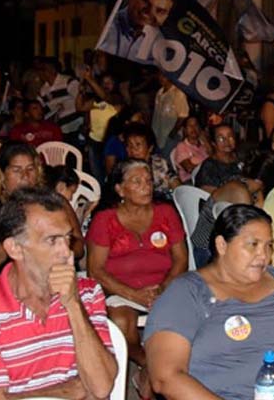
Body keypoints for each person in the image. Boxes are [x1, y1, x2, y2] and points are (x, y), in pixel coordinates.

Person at [144, 205, 274, 400]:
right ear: (222, 245)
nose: (264, 255)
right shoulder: (187, 292)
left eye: (268, 246)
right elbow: (166, 377)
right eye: (253, 244)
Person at [0, 189, 118, 399]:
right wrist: (61, 392)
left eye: (67, 238)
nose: (66, 251)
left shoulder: (86, 293)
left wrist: (73, 304)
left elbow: (101, 387)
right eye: (52, 240)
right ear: (14, 248)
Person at [87, 159, 188, 398]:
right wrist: (135, 295)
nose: (146, 187)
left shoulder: (165, 213)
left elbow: (181, 259)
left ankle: (151, 370)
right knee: (122, 322)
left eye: (149, 181)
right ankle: (150, 365)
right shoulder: (105, 219)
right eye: (137, 181)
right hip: (121, 289)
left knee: (184, 319)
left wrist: (162, 289)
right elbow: (96, 270)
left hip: (164, 286)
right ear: (120, 190)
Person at [0, 141, 83, 289]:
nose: (25, 176)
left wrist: (54, 242)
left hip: (54, 280)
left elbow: (80, 248)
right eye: (17, 170)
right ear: (2, 174)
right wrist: (17, 241)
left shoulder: (55, 202)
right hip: (10, 286)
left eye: (30, 169)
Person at [190, 177, 263, 267]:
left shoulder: (236, 183)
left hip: (207, 246)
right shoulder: (239, 191)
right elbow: (249, 229)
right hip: (207, 253)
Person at [101, 0, 174, 60]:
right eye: (146, 2)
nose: (150, 12)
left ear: (166, 17)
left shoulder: (161, 45)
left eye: (160, 11)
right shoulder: (108, 28)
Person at [39, 58, 84, 139]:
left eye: (43, 69)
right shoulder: (43, 90)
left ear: (52, 70)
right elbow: (45, 111)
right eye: (39, 70)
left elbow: (82, 100)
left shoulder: (68, 81)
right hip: (60, 128)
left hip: (76, 125)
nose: (40, 72)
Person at [194, 124, 244, 193]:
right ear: (213, 143)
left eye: (230, 137)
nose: (226, 141)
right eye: (221, 138)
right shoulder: (209, 166)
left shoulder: (239, 159)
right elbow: (209, 193)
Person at [151, 74, 190, 156]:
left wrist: (173, 132)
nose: (161, 78)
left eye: (164, 76)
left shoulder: (178, 93)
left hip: (170, 137)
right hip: (157, 134)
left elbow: (183, 116)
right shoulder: (159, 92)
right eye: (160, 75)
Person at [172, 115, 212, 184]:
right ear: (184, 130)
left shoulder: (204, 145)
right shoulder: (182, 146)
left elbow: (215, 159)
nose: (193, 128)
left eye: (196, 125)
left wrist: (206, 142)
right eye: (190, 126)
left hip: (208, 178)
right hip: (190, 180)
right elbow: (189, 168)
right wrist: (209, 169)